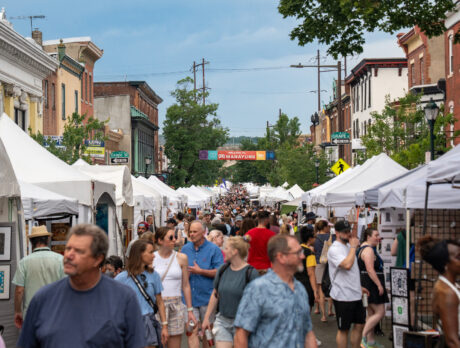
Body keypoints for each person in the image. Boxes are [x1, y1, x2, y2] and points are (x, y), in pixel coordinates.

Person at [17, 224, 145, 348]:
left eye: (78, 251)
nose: (69, 255)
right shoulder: (42, 299)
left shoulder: (123, 299)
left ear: (98, 259)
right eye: (68, 248)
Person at [233, 234, 318, 348]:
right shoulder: (259, 289)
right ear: (281, 257)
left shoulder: (300, 289)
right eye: (297, 252)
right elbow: (241, 334)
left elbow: (307, 331)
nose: (302, 256)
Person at [202, 237, 259, 348]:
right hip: (222, 320)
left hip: (243, 323)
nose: (224, 251)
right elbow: (215, 294)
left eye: (226, 248)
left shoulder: (251, 273)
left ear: (235, 251)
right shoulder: (222, 270)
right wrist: (207, 318)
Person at [116, 239, 169, 347]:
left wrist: (164, 326)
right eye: (150, 252)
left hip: (149, 322)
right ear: (139, 254)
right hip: (130, 323)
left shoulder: (154, 275)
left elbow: (160, 302)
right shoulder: (121, 278)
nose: (154, 256)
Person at [181, 220, 224, 348]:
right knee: (191, 331)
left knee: (207, 331)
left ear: (204, 232)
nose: (192, 234)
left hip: (207, 297)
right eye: (190, 232)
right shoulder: (185, 248)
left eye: (195, 232)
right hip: (189, 299)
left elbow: (219, 271)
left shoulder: (214, 249)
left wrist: (201, 271)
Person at [12, 226, 65, 328]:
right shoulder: (60, 260)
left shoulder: (24, 262)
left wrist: (18, 311)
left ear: (31, 241)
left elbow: (19, 290)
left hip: (32, 315)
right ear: (48, 239)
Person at [327, 220, 369, 348]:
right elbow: (347, 265)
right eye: (345, 232)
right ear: (337, 233)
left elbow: (353, 271)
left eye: (349, 231)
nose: (349, 234)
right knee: (344, 328)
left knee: (359, 324)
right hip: (343, 295)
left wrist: (358, 287)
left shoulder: (347, 246)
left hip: (355, 293)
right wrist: (353, 247)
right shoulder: (334, 249)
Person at [154, 227, 196, 348]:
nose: (174, 240)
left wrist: (189, 310)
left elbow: (186, 285)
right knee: (158, 343)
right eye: (171, 237)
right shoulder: (152, 258)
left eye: (175, 237)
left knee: (175, 345)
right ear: (160, 240)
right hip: (158, 304)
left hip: (176, 303)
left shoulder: (181, 258)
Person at [418, 236, 460, 348]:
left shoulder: (450, 286)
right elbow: (452, 341)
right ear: (446, 264)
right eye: (458, 257)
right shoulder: (446, 292)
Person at [357, 228, 388, 348]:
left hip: (366, 282)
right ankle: (363, 337)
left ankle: (370, 341)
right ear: (368, 237)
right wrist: (379, 285)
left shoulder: (362, 249)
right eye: (376, 235)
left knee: (371, 313)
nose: (379, 237)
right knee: (380, 312)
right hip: (371, 283)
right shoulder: (368, 250)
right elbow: (370, 269)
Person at [313, 220, 335, 321]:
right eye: (328, 227)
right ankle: (330, 310)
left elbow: (314, 251)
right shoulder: (331, 237)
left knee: (320, 289)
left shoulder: (315, 238)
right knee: (330, 287)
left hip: (319, 263)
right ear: (325, 227)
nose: (329, 228)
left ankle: (323, 315)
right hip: (330, 263)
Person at [294, 225, 318, 311]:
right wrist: (315, 291)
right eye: (314, 237)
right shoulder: (309, 253)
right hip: (305, 286)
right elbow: (311, 273)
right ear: (310, 239)